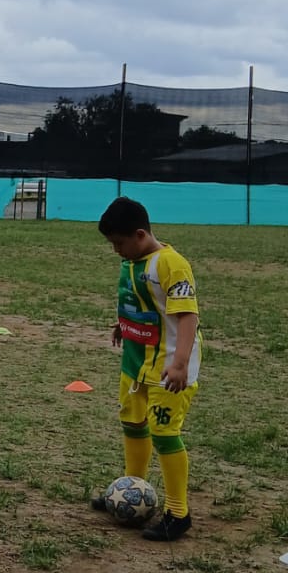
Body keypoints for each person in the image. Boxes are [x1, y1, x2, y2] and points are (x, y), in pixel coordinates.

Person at [96, 197, 202, 542]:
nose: (116, 250)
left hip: (168, 366)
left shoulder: (172, 264)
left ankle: (178, 513)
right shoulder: (132, 260)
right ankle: (130, 491)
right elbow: (144, 301)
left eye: (119, 243)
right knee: (132, 422)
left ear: (140, 234)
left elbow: (187, 316)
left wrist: (180, 363)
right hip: (135, 361)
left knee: (164, 433)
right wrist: (123, 324)